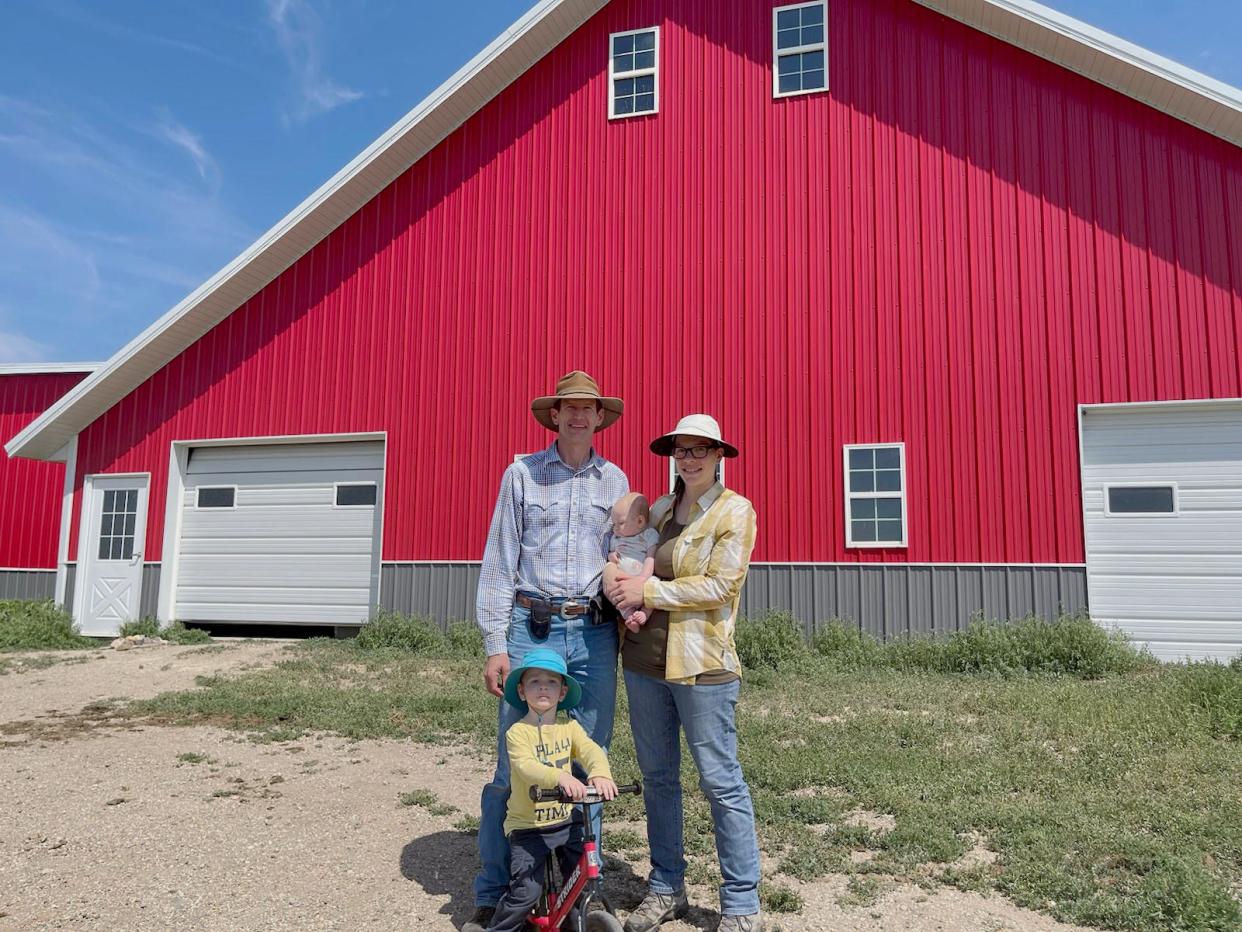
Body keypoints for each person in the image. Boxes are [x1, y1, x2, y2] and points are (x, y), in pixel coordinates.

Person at [467, 370, 628, 932]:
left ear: (601, 417)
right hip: (529, 627)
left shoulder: (615, 481)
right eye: (569, 408)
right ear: (554, 416)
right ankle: (495, 888)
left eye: (589, 408)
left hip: (592, 632)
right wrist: (495, 644)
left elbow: (624, 557)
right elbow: (499, 560)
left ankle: (582, 887)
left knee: (589, 756)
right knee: (512, 762)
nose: (580, 417)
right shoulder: (523, 476)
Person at [605, 414, 763, 932]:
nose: (690, 459)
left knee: (721, 782)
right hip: (644, 663)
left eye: (701, 450)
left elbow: (721, 586)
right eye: (682, 450)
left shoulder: (735, 513)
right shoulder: (660, 509)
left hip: (703, 666)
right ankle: (666, 886)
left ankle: (741, 904)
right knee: (658, 780)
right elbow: (630, 554)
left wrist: (648, 592)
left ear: (720, 456)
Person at [488, 647, 618, 932]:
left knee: (581, 878)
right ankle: (499, 928)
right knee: (526, 893)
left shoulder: (569, 728)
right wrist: (560, 776)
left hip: (564, 821)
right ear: (522, 692)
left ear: (562, 693)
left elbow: (591, 751)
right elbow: (526, 767)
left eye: (552, 682)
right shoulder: (517, 733)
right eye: (535, 681)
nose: (543, 686)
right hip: (528, 827)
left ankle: (575, 924)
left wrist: (599, 772)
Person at [602, 492, 659, 631]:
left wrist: (643, 578)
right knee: (617, 592)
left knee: (655, 583)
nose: (615, 528)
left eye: (620, 523)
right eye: (614, 524)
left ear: (640, 521)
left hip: (642, 579)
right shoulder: (616, 538)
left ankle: (644, 613)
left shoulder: (649, 535)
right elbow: (611, 554)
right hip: (623, 579)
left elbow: (650, 558)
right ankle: (630, 618)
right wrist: (611, 556)